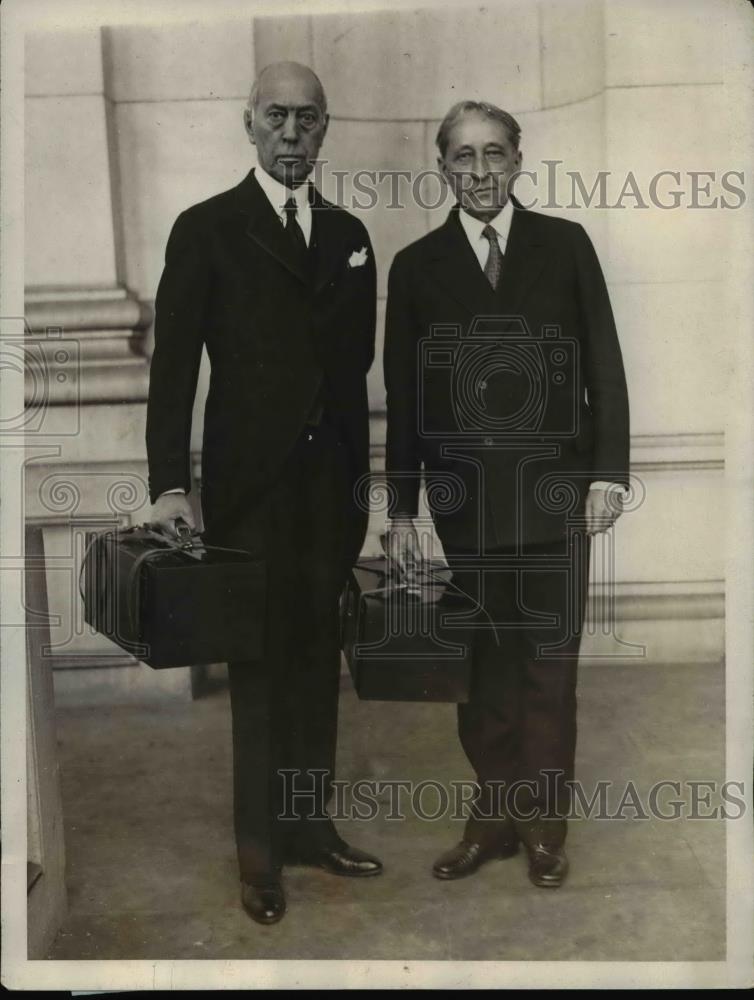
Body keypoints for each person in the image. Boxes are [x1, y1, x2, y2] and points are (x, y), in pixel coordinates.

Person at [146, 61, 382, 925]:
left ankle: (310, 826)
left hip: (331, 492)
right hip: (248, 493)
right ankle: (259, 853)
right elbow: (173, 370)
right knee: (258, 668)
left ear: (325, 129)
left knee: (318, 662)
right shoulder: (206, 229)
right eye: (276, 116)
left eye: (308, 119)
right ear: (248, 125)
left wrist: (368, 485)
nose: (292, 132)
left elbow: (354, 372)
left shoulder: (351, 232)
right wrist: (170, 484)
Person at [384, 100, 630, 888]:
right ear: (443, 167)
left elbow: (606, 369)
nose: (481, 172)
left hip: (557, 499)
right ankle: (490, 821)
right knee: (484, 671)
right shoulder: (417, 267)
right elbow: (406, 398)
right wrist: (401, 509)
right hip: (468, 509)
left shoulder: (565, 246)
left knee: (549, 671)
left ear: (520, 160)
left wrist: (607, 473)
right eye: (464, 157)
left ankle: (544, 829)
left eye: (495, 154)